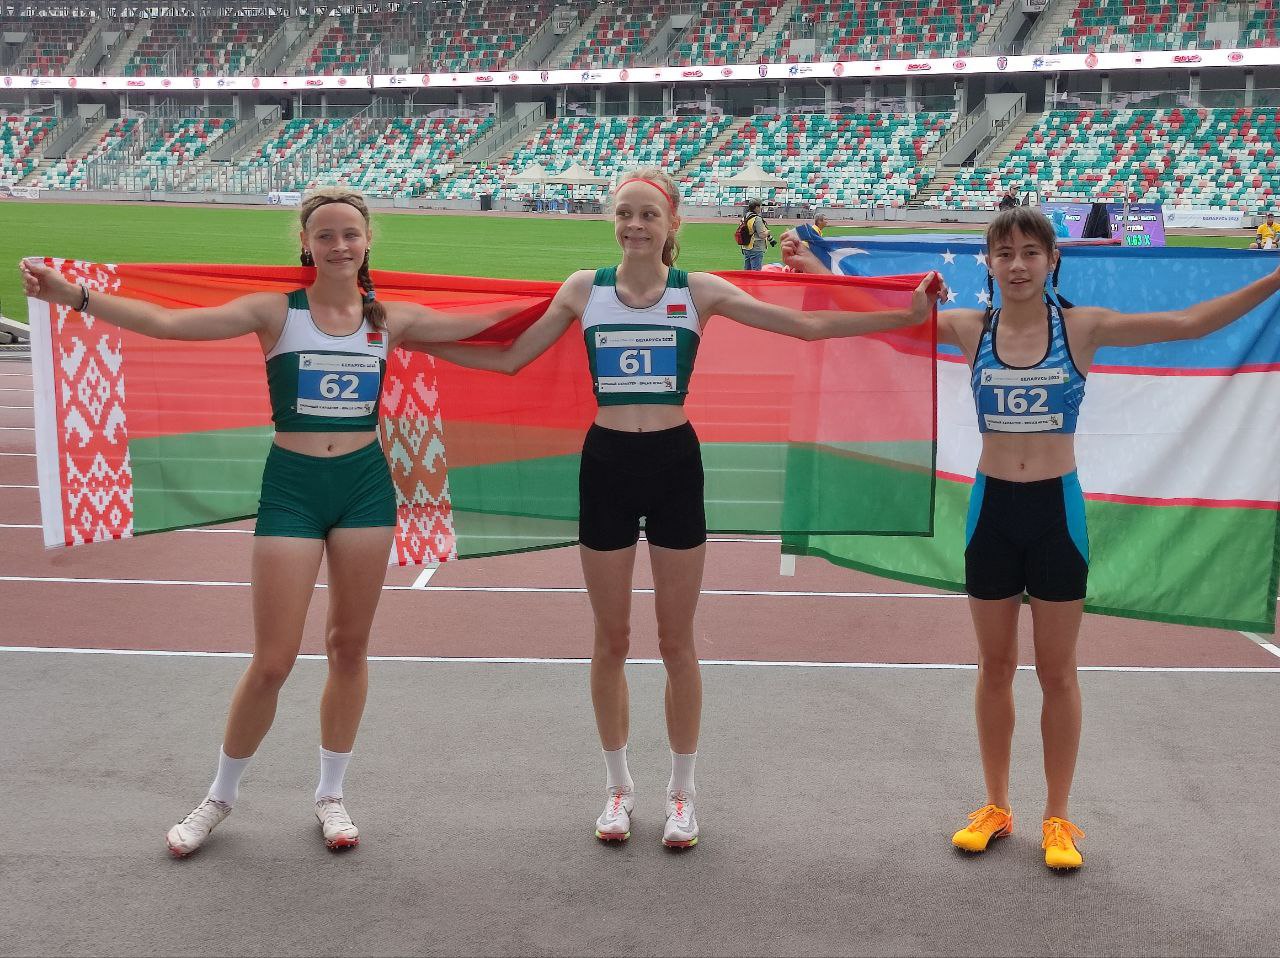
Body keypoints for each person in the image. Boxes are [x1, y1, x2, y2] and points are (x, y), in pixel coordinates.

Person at [422, 168, 942, 850]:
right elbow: (512, 358)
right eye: (624, 213)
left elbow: (806, 325)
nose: (634, 225)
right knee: (611, 640)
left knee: (676, 641)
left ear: (672, 225)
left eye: (648, 214)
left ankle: (682, 794)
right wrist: (410, 339)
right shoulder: (583, 289)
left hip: (673, 466)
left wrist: (904, 314)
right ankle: (617, 788)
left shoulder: (698, 291)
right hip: (605, 466)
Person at [20, 186, 515, 858]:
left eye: (350, 234)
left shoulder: (389, 318)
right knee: (273, 661)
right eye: (325, 235)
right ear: (305, 244)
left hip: (365, 489)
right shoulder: (275, 312)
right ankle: (219, 797)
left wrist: (571, 301)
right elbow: (166, 323)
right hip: (293, 489)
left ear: (368, 241)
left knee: (348, 648)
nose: (338, 245)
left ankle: (331, 795)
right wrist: (74, 296)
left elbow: (487, 324)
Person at [781, 207, 1280, 870]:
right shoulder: (969, 327)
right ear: (989, 264)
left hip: (1055, 515)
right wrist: (815, 267)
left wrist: (1274, 278)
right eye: (1004, 253)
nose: (1017, 265)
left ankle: (1058, 817)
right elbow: (880, 319)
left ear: (1052, 261)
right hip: (992, 513)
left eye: (1029, 253)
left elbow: (1190, 324)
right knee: (994, 668)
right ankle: (995, 806)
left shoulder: (1082, 328)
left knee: (1057, 672)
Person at [738, 199, 775, 270]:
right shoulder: (757, 219)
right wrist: (768, 232)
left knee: (747, 272)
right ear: (756, 207)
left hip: (746, 247)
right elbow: (762, 235)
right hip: (756, 248)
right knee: (756, 272)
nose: (760, 208)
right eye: (760, 206)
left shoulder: (744, 217)